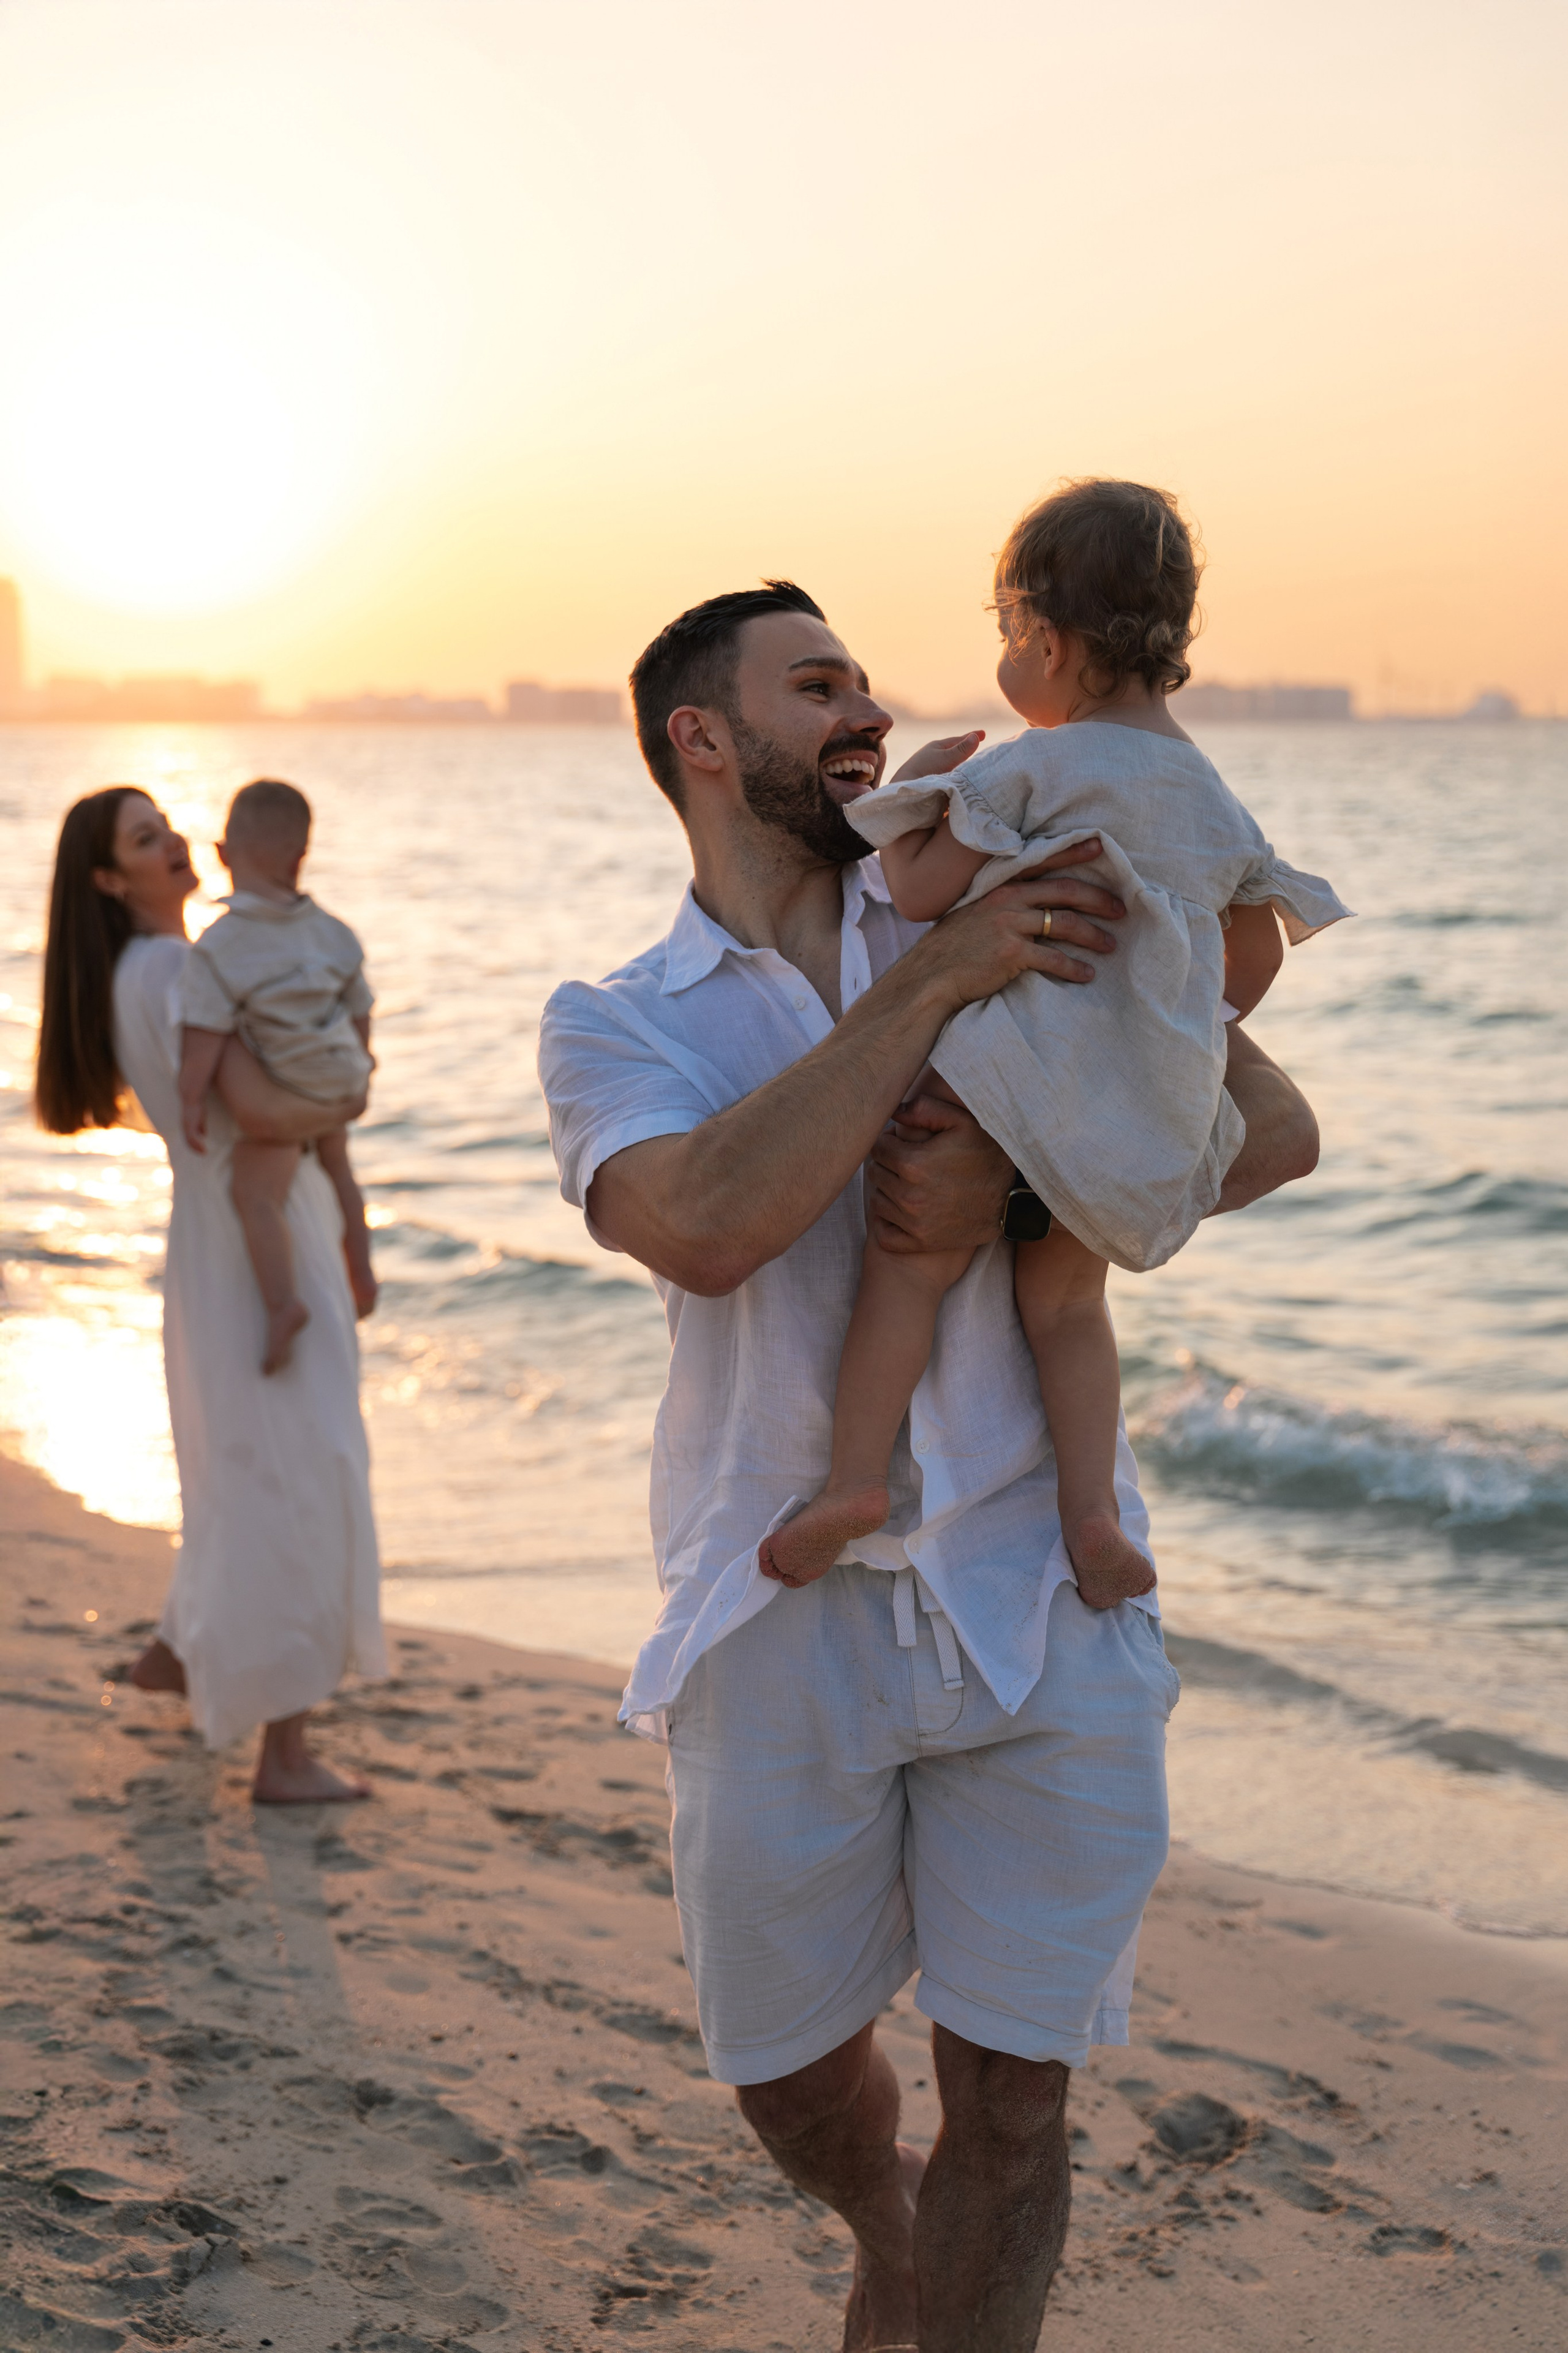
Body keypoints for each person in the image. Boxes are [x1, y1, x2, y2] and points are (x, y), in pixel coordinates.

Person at [538, 580, 1320, 2351]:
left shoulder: (1019, 888)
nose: (868, 707)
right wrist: (943, 979)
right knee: (792, 2081)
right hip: (776, 1602)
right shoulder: (619, 1019)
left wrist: (1025, 1192)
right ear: (704, 740)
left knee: (1019, 2098)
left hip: (1043, 1594)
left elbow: (1268, 1127)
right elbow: (712, 1224)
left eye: (865, 674)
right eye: (818, 686)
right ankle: (884, 2240)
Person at [762, 481, 1350, 1598]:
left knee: (910, 1264)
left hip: (1001, 1083)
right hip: (1125, 1105)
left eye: (1003, 631)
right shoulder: (1214, 799)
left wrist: (922, 800)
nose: (1003, 657)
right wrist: (1163, 1015)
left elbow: (927, 893)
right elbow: (1252, 963)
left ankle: (850, 1482)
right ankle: (1093, 1518)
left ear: (1046, 632)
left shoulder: (1030, 768)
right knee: (1070, 1309)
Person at [35, 786, 386, 1804]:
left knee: (246, 1465)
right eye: (146, 841)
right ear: (110, 879)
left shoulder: (137, 972)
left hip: (222, 1234)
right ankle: (285, 1755)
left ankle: (174, 1656)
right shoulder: (185, 970)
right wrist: (350, 1093)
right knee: (300, 1474)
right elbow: (262, 1105)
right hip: (254, 1238)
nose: (175, 844)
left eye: (169, 827)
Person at [178, 777, 378, 1375]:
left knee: (255, 1193)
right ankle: (362, 1274)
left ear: (221, 854)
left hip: (282, 1092)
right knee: (340, 1168)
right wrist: (358, 1065)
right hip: (340, 1081)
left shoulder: (219, 946)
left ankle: (282, 1304)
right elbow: (360, 1008)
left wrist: (191, 1100)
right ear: (301, 856)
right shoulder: (335, 933)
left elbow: (204, 1036)